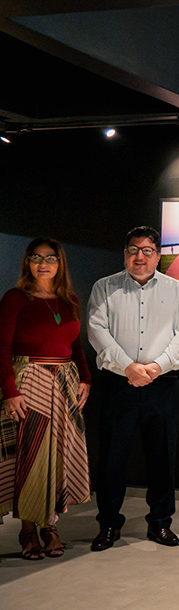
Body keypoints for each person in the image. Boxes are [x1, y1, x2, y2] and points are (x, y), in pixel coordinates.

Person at [87, 226, 179, 550]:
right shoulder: (105, 288)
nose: (140, 256)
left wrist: (156, 366)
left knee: (162, 458)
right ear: (125, 253)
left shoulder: (175, 290)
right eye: (133, 250)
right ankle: (108, 524)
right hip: (118, 385)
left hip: (162, 386)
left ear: (158, 255)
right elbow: (97, 330)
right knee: (111, 459)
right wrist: (128, 368)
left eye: (147, 250)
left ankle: (160, 524)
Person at [0, 239, 91, 559]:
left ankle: (50, 528)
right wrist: (10, 392)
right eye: (36, 257)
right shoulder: (15, 298)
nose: (43, 263)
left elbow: (76, 346)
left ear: (59, 263)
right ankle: (27, 531)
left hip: (65, 385)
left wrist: (86, 379)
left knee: (59, 458)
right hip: (29, 383)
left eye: (50, 258)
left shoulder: (68, 299)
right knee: (31, 459)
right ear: (27, 262)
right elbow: (2, 347)